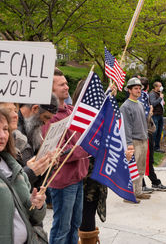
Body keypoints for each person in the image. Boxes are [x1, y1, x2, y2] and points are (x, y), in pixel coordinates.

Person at [42, 68, 89, 244]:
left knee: (75, 225)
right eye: (61, 84)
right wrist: (86, 149)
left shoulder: (71, 111)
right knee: (62, 228)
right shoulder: (49, 117)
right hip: (62, 181)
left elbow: (84, 136)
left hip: (78, 177)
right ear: (51, 90)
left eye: (66, 83)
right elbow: (56, 151)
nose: (66, 87)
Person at [0, 108, 47, 244]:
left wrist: (36, 204)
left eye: (5, 129)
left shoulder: (13, 166)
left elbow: (34, 218)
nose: (2, 136)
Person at [69, 79, 107, 244]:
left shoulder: (99, 116)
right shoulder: (76, 118)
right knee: (84, 214)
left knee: (87, 212)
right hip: (82, 175)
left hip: (95, 174)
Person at [120, 77, 151, 202]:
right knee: (132, 169)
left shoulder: (140, 104)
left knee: (141, 168)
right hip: (134, 141)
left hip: (143, 139)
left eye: (140, 88)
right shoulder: (125, 107)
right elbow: (126, 127)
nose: (138, 91)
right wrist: (129, 144)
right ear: (129, 90)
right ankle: (128, 195)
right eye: (136, 89)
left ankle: (138, 192)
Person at [138, 77, 166, 192]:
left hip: (148, 130)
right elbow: (147, 110)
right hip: (143, 132)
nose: (138, 91)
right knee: (143, 159)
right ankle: (141, 184)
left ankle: (154, 181)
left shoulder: (145, 96)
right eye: (136, 88)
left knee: (149, 159)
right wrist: (150, 110)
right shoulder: (145, 96)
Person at [149, 81, 165, 153]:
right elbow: (153, 103)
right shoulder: (152, 94)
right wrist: (160, 98)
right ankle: (152, 147)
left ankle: (157, 147)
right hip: (155, 115)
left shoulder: (159, 93)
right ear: (156, 87)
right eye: (160, 86)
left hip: (160, 115)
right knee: (155, 132)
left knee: (159, 132)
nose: (161, 87)